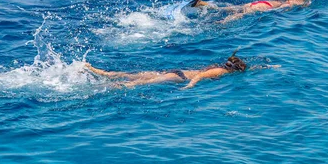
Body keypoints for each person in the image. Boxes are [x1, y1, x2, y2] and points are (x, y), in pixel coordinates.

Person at [85, 53, 279, 89]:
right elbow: (202, 76)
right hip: (179, 78)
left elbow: (202, 71)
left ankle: (98, 72)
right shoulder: (222, 72)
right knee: (138, 83)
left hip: (177, 70)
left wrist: (269, 67)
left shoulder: (220, 66)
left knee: (135, 75)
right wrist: (189, 87)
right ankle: (115, 86)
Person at [193, 0, 314, 23]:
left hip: (259, 2)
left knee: (230, 8)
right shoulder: (294, 3)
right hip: (264, 7)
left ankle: (202, 4)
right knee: (240, 15)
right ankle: (221, 22)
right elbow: (282, 8)